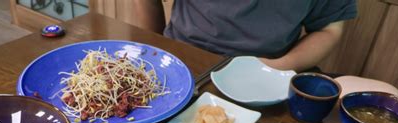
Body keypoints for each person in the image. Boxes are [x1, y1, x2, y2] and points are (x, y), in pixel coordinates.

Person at [133, 0, 357, 72]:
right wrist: (154, 50)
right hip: (179, 60)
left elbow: (329, 28)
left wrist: (276, 68)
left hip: (267, 72)